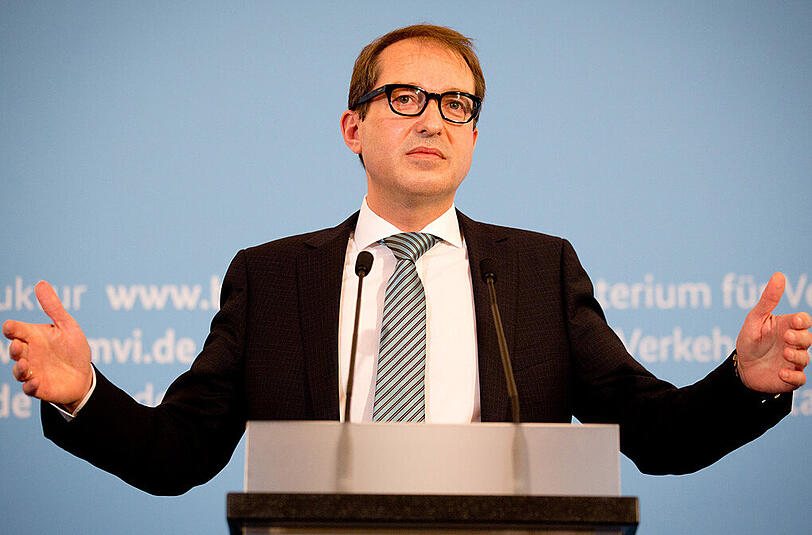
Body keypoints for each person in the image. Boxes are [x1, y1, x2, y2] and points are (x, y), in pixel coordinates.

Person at [4, 25, 810, 495]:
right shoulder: (272, 278)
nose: (433, 120)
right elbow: (178, 453)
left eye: (457, 105)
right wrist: (83, 394)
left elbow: (656, 435)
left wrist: (744, 385)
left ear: (475, 137)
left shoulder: (539, 272)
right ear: (353, 128)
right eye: (405, 98)